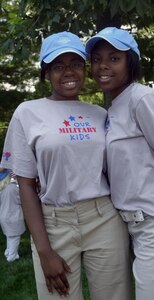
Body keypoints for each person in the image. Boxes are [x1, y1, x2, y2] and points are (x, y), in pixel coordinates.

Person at [0, 31, 131, 299]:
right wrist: (44, 251)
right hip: (53, 222)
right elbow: (25, 184)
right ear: (46, 73)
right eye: (58, 66)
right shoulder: (27, 112)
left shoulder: (101, 114)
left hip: (104, 218)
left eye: (75, 64)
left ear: (84, 69)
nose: (68, 72)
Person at [85, 27, 154, 300]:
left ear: (130, 62)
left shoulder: (142, 99)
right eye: (97, 58)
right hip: (131, 227)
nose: (103, 66)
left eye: (114, 58)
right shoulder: (114, 108)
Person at [0, 168, 25, 262]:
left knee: (9, 235)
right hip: (13, 216)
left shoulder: (3, 188)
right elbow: (22, 200)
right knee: (15, 236)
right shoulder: (15, 188)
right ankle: (12, 256)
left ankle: (8, 251)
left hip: (4, 216)